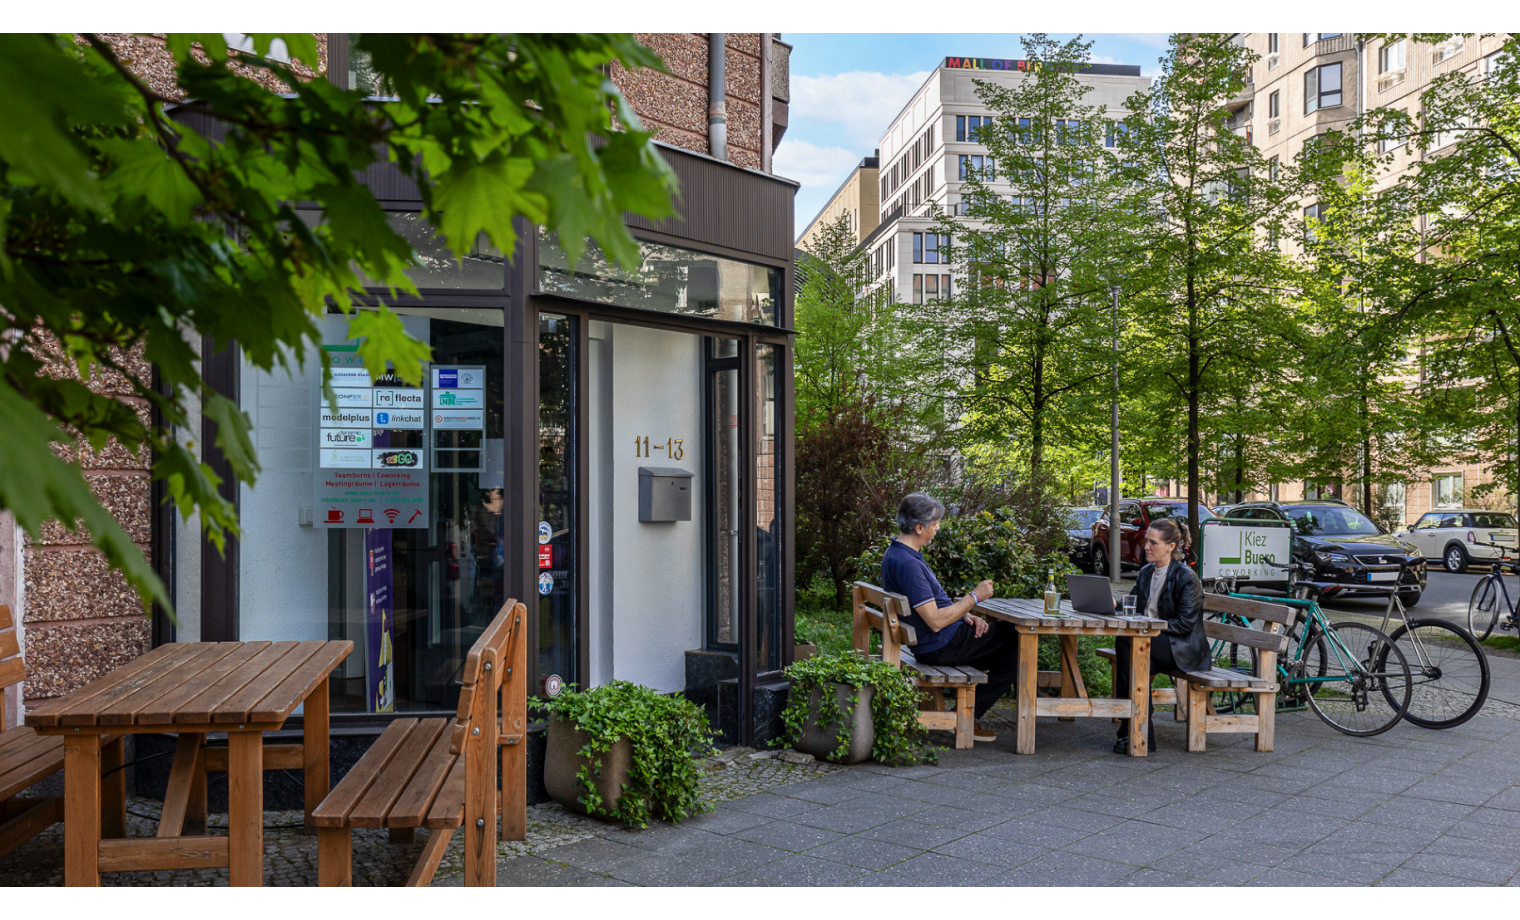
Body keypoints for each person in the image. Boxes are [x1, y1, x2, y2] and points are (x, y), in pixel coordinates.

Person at [880, 493, 1022, 743]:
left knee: (1009, 636)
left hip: (934, 640)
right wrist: (974, 598)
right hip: (939, 645)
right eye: (935, 524)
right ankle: (967, 715)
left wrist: (965, 615)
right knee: (1020, 641)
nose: (938, 528)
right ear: (919, 527)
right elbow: (934, 620)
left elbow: (929, 606)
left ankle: (969, 712)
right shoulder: (909, 564)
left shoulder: (897, 553)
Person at [1111, 517, 1209, 754]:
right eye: (1147, 542)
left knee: (1128, 645)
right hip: (1153, 643)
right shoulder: (1146, 573)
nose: (1146, 547)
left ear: (1170, 547)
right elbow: (1134, 603)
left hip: (1182, 647)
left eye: (1153, 543)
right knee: (1131, 653)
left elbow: (1184, 624)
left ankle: (1132, 729)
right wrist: (1114, 603)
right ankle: (1141, 732)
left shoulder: (1186, 578)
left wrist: (1149, 626)